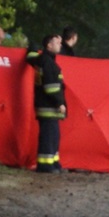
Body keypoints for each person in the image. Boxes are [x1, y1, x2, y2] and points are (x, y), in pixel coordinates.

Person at [28, 34, 67, 173]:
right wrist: (60, 103)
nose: (60, 44)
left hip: (45, 106)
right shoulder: (48, 62)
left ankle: (54, 163)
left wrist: (31, 47)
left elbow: (30, 57)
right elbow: (51, 87)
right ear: (49, 45)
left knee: (53, 136)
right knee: (49, 137)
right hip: (49, 107)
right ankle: (45, 166)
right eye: (57, 42)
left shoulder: (42, 59)